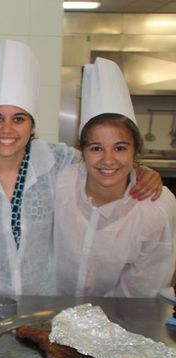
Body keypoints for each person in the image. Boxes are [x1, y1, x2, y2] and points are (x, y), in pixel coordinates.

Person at [0, 41, 163, 296]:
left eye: (19, 119)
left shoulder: (58, 161)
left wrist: (141, 170)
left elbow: (103, 163)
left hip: (39, 305)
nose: (6, 130)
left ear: (32, 125)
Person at [54, 58, 176, 297]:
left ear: (135, 151)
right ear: (82, 150)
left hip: (119, 322)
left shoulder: (156, 208)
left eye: (120, 148)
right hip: (48, 314)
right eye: (96, 148)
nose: (108, 160)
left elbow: (143, 288)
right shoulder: (61, 183)